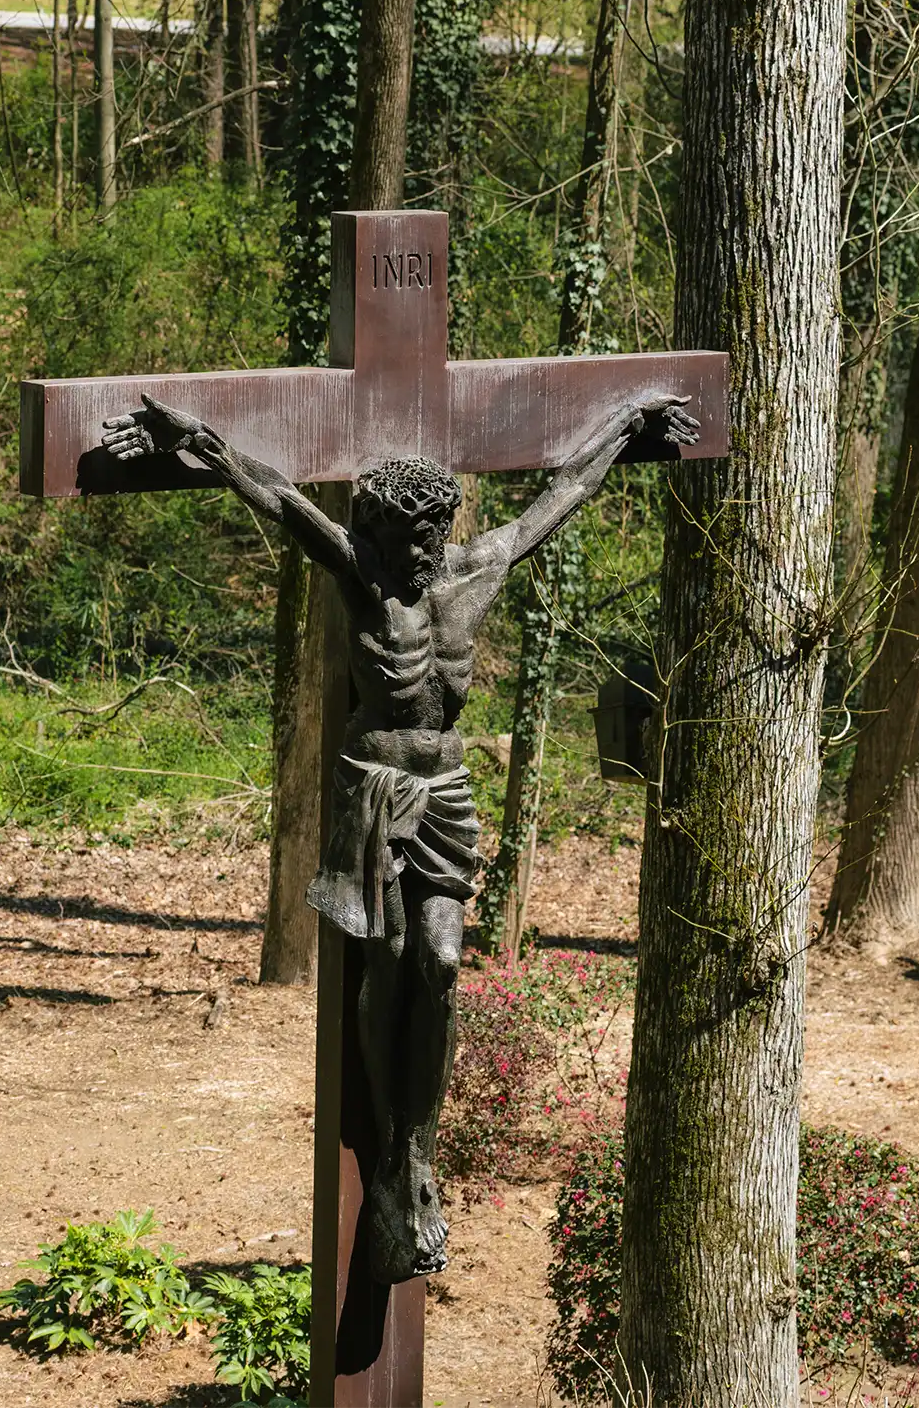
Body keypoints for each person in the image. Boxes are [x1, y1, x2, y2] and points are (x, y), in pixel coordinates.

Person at [101, 388, 697, 1286]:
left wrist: (627, 421)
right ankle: (390, 1150)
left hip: (445, 785)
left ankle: (418, 1145)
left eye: (430, 535)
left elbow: (561, 492)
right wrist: (198, 442)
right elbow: (278, 495)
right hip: (373, 787)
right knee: (382, 963)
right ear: (377, 531)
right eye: (401, 537)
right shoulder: (358, 573)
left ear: (446, 527)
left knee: (442, 962)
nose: (417, 553)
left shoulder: (478, 568)